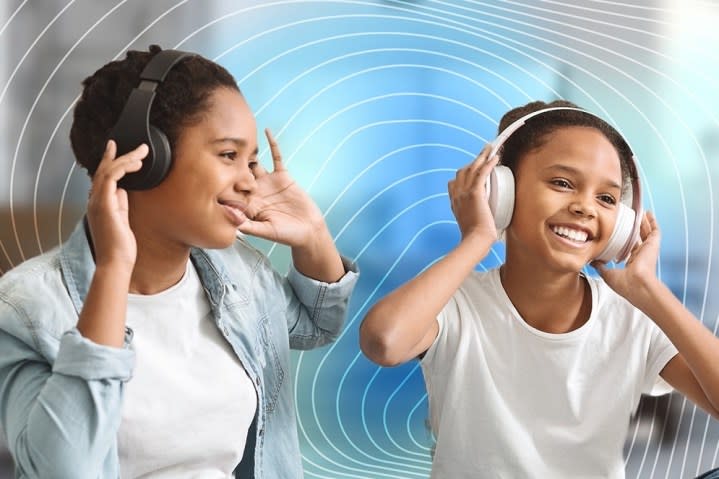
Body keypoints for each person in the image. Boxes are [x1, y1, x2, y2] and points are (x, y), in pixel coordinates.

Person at [0, 45, 358, 478]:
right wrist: (114, 270)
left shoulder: (239, 273)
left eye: (253, 161)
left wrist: (312, 233)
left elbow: (315, 325)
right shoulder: (24, 309)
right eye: (229, 155)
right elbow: (62, 469)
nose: (249, 182)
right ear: (146, 157)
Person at [359, 100, 719, 478]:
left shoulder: (629, 319)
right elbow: (384, 341)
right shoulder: (456, 306)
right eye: (562, 183)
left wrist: (649, 290)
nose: (585, 207)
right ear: (500, 192)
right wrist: (477, 239)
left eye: (607, 198)